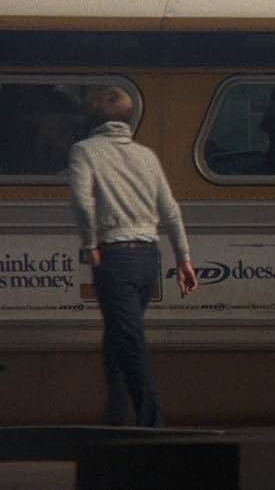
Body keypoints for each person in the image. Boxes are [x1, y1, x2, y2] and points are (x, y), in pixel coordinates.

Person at [69, 86, 198, 427]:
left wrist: (90, 244)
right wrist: (183, 259)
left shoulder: (84, 151)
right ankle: (118, 420)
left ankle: (151, 424)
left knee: (129, 342)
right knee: (117, 338)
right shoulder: (147, 156)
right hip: (147, 258)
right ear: (129, 118)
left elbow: (83, 202)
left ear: (92, 119)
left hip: (114, 258)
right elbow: (170, 210)